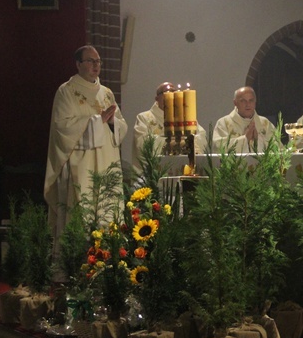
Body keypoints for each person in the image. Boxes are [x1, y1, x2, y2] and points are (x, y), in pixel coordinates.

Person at [44, 45, 128, 264]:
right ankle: (75, 267)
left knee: (107, 216)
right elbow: (63, 128)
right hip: (80, 167)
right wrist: (96, 122)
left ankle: (108, 263)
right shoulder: (67, 91)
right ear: (78, 64)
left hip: (106, 162)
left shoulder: (107, 93)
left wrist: (111, 122)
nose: (95, 65)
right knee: (80, 216)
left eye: (98, 61)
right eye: (90, 61)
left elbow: (121, 128)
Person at [131, 82, 207, 173]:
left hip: (184, 169)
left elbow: (201, 136)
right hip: (155, 172)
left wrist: (190, 142)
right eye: (166, 92)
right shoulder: (144, 118)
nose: (171, 95)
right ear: (157, 98)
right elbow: (142, 144)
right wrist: (174, 142)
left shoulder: (185, 118)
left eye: (173, 91)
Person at [213, 86, 276, 153]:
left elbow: (277, 148)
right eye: (243, 101)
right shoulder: (223, 123)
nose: (248, 104)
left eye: (251, 100)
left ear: (255, 102)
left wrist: (258, 139)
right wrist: (245, 139)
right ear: (235, 103)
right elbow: (219, 147)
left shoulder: (265, 123)